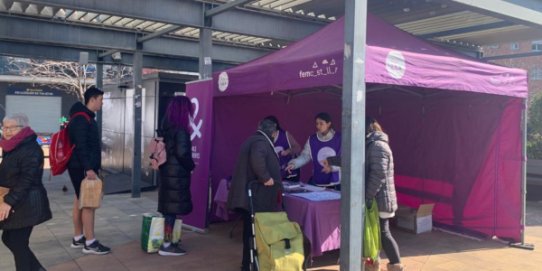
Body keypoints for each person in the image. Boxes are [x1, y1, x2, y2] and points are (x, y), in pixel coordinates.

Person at [227, 118, 282, 271]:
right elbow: (258, 160)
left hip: (252, 196)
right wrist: (266, 178)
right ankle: (252, 264)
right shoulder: (260, 142)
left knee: (250, 232)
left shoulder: (253, 139)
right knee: (254, 232)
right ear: (273, 133)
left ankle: (248, 263)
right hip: (257, 197)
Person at [0, 113, 52, 271]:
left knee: (16, 241)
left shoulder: (30, 148)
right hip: (18, 199)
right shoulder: (11, 146)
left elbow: (27, 180)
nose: (7, 131)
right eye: (5, 127)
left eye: (12, 128)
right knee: (10, 238)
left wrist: (9, 201)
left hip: (29, 202)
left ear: (23, 129)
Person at [67, 86, 111, 255]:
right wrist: (89, 168)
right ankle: (90, 242)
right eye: (100, 100)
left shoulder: (84, 117)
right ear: (92, 99)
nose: (102, 103)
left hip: (79, 166)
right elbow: (81, 146)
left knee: (80, 200)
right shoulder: (81, 119)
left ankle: (78, 238)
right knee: (88, 203)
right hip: (82, 167)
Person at [157, 96, 195, 256]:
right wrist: (191, 166)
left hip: (167, 173)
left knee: (169, 211)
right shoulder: (181, 131)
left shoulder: (166, 127)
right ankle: (167, 245)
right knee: (171, 212)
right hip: (177, 175)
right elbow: (182, 153)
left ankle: (168, 241)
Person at [364, 117, 403, 271]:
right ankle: (374, 264)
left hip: (380, 200)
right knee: (375, 234)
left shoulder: (378, 146)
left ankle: (396, 265)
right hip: (376, 198)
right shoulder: (371, 144)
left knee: (383, 233)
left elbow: (378, 175)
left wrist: (368, 196)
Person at [285, 112, 341, 188]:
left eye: (321, 123)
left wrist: (331, 167)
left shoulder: (339, 138)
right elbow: (305, 156)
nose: (318, 126)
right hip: (318, 180)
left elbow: (345, 159)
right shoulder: (312, 139)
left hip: (336, 182)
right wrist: (294, 164)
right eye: (317, 123)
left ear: (328, 124)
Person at [263, 115, 301, 181]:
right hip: (274, 174)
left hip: (290, 172)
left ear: (274, 125)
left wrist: (288, 151)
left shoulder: (285, 135)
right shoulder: (265, 138)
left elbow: (298, 148)